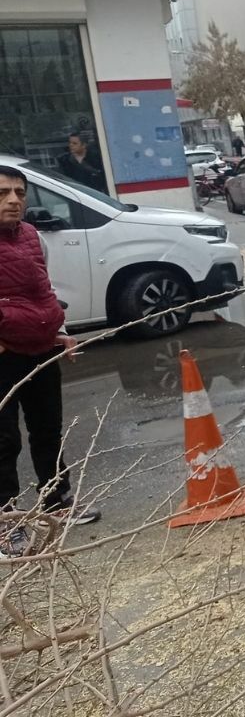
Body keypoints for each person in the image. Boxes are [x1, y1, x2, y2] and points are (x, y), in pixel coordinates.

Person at [0, 165, 102, 556]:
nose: (14, 200)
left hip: (41, 351)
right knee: (2, 440)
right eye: (4, 192)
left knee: (47, 431)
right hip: (4, 358)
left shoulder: (31, 238)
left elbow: (39, 293)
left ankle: (56, 502)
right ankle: (6, 522)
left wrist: (54, 332)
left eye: (20, 192)